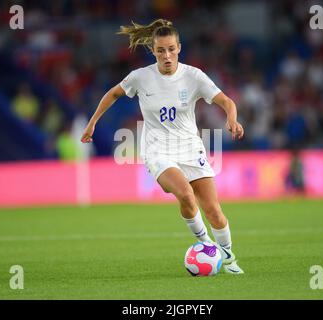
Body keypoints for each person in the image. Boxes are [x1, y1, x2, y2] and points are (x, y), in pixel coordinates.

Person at [81, 19, 245, 274]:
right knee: (186, 196)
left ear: (179, 47)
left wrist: (232, 118)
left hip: (191, 148)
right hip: (158, 150)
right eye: (160, 51)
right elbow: (113, 93)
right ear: (154, 52)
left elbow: (226, 101)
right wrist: (92, 123)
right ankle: (206, 246)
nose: (166, 55)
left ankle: (230, 259)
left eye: (171, 49)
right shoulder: (141, 77)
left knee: (214, 211)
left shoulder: (193, 76)